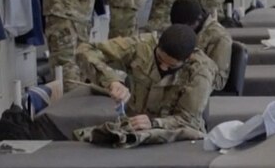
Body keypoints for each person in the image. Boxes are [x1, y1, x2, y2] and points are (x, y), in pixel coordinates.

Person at [76, 24, 215, 134]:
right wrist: (112, 80)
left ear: (187, 59)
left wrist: (156, 123)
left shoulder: (201, 71)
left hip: (175, 138)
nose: (164, 67)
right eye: (159, 59)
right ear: (157, 45)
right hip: (133, 132)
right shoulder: (142, 46)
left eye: (171, 66)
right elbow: (85, 50)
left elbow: (189, 120)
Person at [170, 0, 232, 92]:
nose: (183, 31)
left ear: (197, 20)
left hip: (200, 83)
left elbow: (218, 81)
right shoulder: (188, 28)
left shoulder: (219, 37)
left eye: (186, 27)